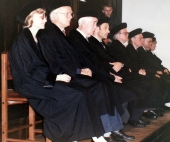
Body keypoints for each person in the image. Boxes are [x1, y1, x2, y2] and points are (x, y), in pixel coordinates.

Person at [37, 1, 134, 141]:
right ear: (56, 15)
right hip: (63, 76)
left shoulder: (60, 33)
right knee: (98, 86)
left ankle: (102, 131)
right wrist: (78, 70)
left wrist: (81, 69)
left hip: (72, 73)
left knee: (101, 85)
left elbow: (72, 58)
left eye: (71, 14)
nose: (71, 17)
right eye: (68, 14)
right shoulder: (48, 34)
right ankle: (98, 132)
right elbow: (55, 60)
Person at [9, 1, 104, 142]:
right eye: (42, 17)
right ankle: (60, 135)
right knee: (73, 95)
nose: (46, 20)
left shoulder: (37, 38)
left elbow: (45, 65)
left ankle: (74, 135)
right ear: (30, 19)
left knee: (80, 92)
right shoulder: (22, 40)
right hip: (30, 84)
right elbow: (29, 71)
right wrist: (55, 78)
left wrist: (58, 76)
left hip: (41, 79)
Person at [67, 10, 136, 141]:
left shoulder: (83, 38)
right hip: (81, 76)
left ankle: (111, 130)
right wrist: (110, 76)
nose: (95, 27)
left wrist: (110, 75)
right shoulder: (76, 38)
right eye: (93, 24)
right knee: (105, 87)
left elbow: (95, 62)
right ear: (83, 23)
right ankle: (105, 132)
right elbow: (90, 63)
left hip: (92, 74)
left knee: (108, 87)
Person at [87, 19, 150, 128]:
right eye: (106, 28)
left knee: (143, 84)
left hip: (115, 74)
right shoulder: (99, 44)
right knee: (132, 89)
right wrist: (117, 71)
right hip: (110, 76)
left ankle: (128, 120)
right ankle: (125, 122)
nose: (108, 31)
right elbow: (104, 63)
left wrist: (122, 66)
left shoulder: (104, 44)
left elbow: (118, 62)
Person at [108, 24, 164, 120]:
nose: (127, 35)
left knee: (148, 81)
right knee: (143, 83)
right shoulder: (115, 46)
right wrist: (136, 71)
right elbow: (125, 64)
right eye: (125, 33)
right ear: (118, 35)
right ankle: (136, 116)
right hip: (122, 76)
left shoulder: (121, 46)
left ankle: (142, 112)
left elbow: (130, 64)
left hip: (128, 74)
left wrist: (136, 70)